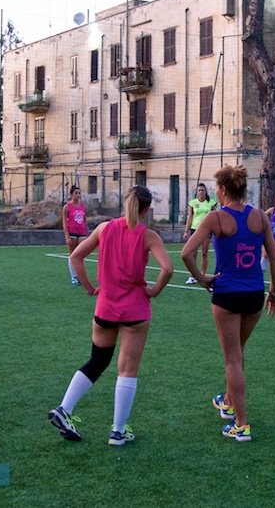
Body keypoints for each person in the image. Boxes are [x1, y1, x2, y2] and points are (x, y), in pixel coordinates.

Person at [48, 186, 173, 445]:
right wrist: (154, 291)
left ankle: (65, 408)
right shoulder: (149, 236)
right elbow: (168, 269)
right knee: (127, 370)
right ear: (147, 209)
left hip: (105, 307)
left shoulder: (105, 228)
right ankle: (117, 430)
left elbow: (76, 256)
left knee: (97, 361)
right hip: (135, 310)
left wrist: (89, 287)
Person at [182, 166, 275, 443]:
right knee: (238, 352)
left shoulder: (216, 218)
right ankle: (227, 401)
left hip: (226, 295)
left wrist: (201, 279)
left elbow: (187, 252)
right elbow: (273, 257)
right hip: (254, 295)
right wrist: (273, 292)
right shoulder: (260, 216)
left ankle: (241, 424)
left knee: (232, 359)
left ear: (223, 190)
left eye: (215, 187)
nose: (213, 191)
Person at [184, 183, 218, 284]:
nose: (201, 192)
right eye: (199, 190)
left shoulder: (211, 203)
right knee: (193, 253)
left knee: (204, 252)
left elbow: (215, 216)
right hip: (195, 229)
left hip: (207, 229)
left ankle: (202, 275)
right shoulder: (193, 203)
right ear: (197, 192)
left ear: (205, 191)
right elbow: (190, 217)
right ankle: (192, 275)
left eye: (203, 190)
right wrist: (186, 230)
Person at [63, 185, 89, 286]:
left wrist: (87, 233)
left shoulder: (82, 206)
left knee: (82, 253)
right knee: (73, 254)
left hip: (81, 232)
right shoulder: (67, 207)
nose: (78, 195)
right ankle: (73, 276)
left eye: (79, 193)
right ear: (71, 195)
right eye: (76, 193)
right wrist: (67, 236)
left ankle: (79, 274)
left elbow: (85, 220)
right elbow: (64, 222)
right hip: (72, 232)